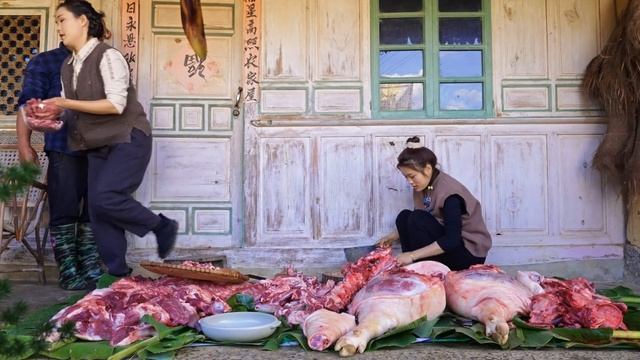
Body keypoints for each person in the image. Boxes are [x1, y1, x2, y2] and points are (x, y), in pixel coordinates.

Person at [44, 0, 177, 278]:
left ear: (82, 21)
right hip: (97, 144)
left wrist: (65, 102)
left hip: (128, 137)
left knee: (105, 197)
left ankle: (161, 226)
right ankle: (117, 276)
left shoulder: (108, 56)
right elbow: (75, 112)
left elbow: (115, 105)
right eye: (56, 21)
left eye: (62, 19)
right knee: (98, 209)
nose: (58, 27)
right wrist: (51, 118)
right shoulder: (68, 66)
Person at [17, 42, 102, 290]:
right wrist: (24, 144)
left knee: (96, 207)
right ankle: (68, 269)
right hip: (63, 147)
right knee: (64, 207)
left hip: (101, 148)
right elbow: (26, 105)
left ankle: (89, 263)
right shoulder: (46, 61)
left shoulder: (104, 60)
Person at [377, 136, 491, 270]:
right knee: (405, 216)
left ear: (428, 169)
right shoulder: (426, 185)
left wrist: (412, 255)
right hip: (450, 248)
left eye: (412, 176)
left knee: (417, 218)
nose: (409, 182)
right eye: (406, 177)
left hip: (467, 254)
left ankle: (417, 265)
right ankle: (413, 267)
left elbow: (451, 240)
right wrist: (392, 237)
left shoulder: (450, 195)